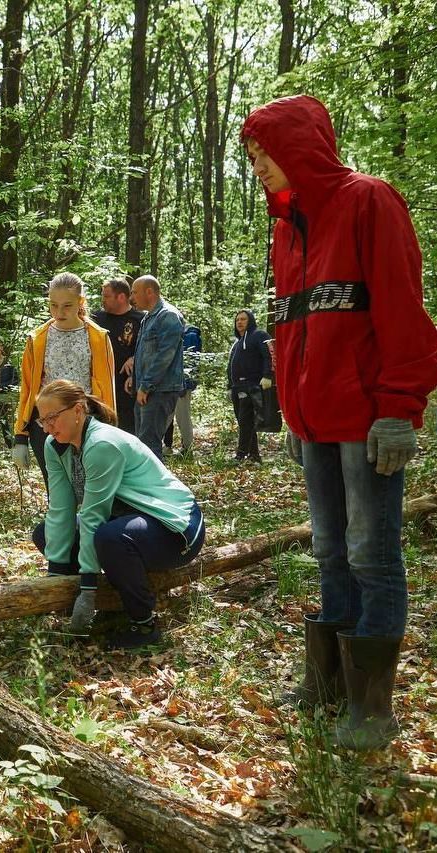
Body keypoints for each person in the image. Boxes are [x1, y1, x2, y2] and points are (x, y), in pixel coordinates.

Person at [243, 94, 437, 750]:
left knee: (370, 551)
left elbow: (400, 310)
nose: (257, 165)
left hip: (365, 417)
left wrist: (398, 408)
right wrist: (292, 417)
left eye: (263, 151)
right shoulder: (285, 226)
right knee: (328, 550)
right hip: (314, 420)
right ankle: (328, 689)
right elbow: (292, 328)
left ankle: (372, 710)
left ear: (298, 145)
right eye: (250, 155)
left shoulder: (368, 200)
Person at [31, 380, 204, 648]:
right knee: (45, 533)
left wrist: (87, 588)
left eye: (53, 417)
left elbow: (92, 515)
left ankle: (144, 626)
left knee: (109, 538)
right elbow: (61, 509)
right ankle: (104, 603)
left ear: (78, 411)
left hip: (176, 527)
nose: (48, 427)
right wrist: (55, 576)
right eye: (43, 421)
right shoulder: (54, 446)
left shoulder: (102, 444)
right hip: (126, 522)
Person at [13, 273, 115, 488]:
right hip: (46, 426)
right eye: (53, 305)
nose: (59, 312)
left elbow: (107, 388)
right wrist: (20, 435)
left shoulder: (98, 337)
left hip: (86, 424)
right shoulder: (37, 338)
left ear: (81, 302)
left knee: (89, 490)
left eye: (67, 305)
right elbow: (28, 389)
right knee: (57, 491)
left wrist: (111, 430)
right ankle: (59, 523)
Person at [128, 276, 185, 461]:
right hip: (145, 389)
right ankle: (145, 488)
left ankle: (155, 489)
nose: (132, 297)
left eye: (135, 292)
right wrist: (135, 379)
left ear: (149, 292)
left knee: (149, 445)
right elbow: (147, 353)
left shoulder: (168, 315)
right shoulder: (148, 318)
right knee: (141, 444)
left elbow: (164, 356)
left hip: (159, 390)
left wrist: (146, 385)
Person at [92, 278, 145, 434]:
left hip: (127, 387)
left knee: (128, 430)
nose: (103, 300)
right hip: (100, 386)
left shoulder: (140, 320)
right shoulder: (96, 318)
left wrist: (136, 359)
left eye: (107, 296)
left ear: (121, 297)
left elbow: (151, 349)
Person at [226, 309, 272, 463]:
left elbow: (269, 355)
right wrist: (229, 386)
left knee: (246, 421)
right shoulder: (237, 342)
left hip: (251, 386)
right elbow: (231, 366)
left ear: (250, 320)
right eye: (237, 319)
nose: (239, 322)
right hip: (236, 387)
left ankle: (241, 455)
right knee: (244, 421)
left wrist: (267, 376)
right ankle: (254, 455)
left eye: (243, 319)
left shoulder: (259, 335)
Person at [164, 320, 201, 456]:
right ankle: (159, 446)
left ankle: (188, 448)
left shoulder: (190, 335)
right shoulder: (177, 334)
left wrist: (186, 383)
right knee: (167, 415)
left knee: (182, 416)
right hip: (171, 383)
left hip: (182, 384)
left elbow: (191, 361)